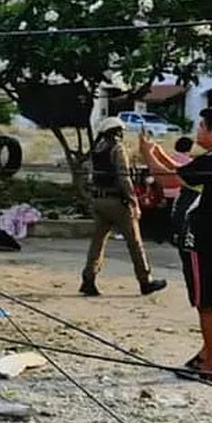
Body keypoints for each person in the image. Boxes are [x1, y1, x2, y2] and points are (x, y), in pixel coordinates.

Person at [139, 107, 212, 382]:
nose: (198, 131)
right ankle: (208, 354)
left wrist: (147, 154)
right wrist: (158, 153)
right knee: (209, 300)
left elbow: (169, 179)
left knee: (205, 303)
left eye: (202, 127)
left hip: (203, 238)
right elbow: (183, 171)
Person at [81, 117, 168, 297]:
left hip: (99, 200)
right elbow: (124, 177)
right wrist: (134, 200)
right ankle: (145, 280)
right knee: (134, 242)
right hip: (117, 202)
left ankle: (88, 279)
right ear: (117, 131)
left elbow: (90, 176)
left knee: (97, 243)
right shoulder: (117, 148)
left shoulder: (97, 149)